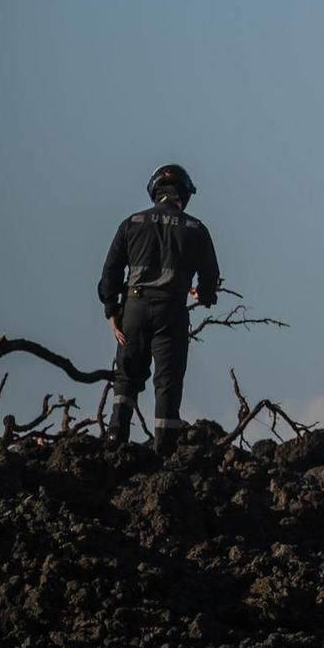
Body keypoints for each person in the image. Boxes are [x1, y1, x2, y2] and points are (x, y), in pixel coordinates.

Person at [96, 163, 221, 454]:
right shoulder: (196, 228)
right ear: (184, 194)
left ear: (155, 190)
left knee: (127, 376)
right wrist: (203, 295)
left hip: (134, 310)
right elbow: (210, 278)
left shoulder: (131, 223)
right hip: (171, 311)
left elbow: (110, 274)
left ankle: (115, 439)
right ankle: (165, 450)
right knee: (168, 381)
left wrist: (111, 311)